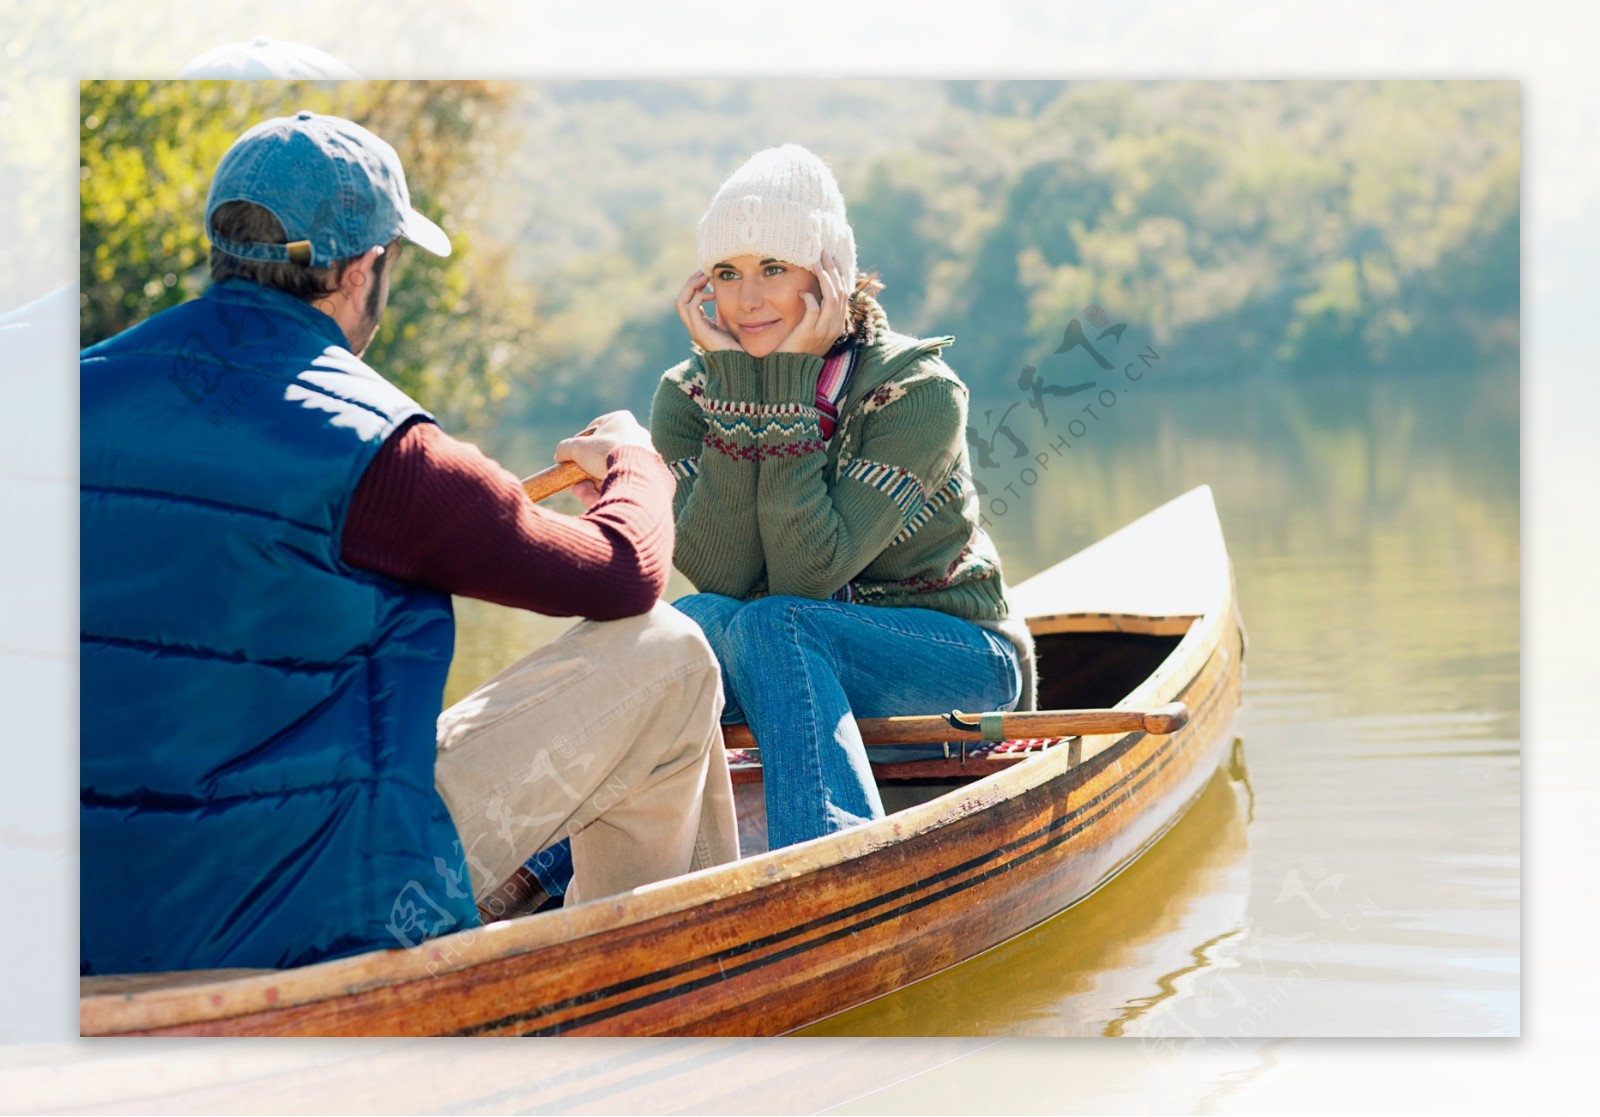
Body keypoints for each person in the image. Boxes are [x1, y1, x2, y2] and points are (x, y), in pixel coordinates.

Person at [79, 111, 738, 976]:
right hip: (311, 910)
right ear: (365, 270)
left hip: (81, 910)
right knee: (671, 653)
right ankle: (656, 997)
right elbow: (627, 572)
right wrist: (638, 463)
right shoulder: (385, 452)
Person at [649, 144, 1037, 852]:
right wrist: (740, 388)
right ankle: (536, 873)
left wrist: (789, 387)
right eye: (727, 274)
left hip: (953, 663)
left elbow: (804, 576)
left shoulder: (917, 393)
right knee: (690, 622)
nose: (748, 299)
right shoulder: (691, 394)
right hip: (792, 670)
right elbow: (725, 576)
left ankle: (834, 857)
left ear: (831, 275)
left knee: (775, 623)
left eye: (774, 268)